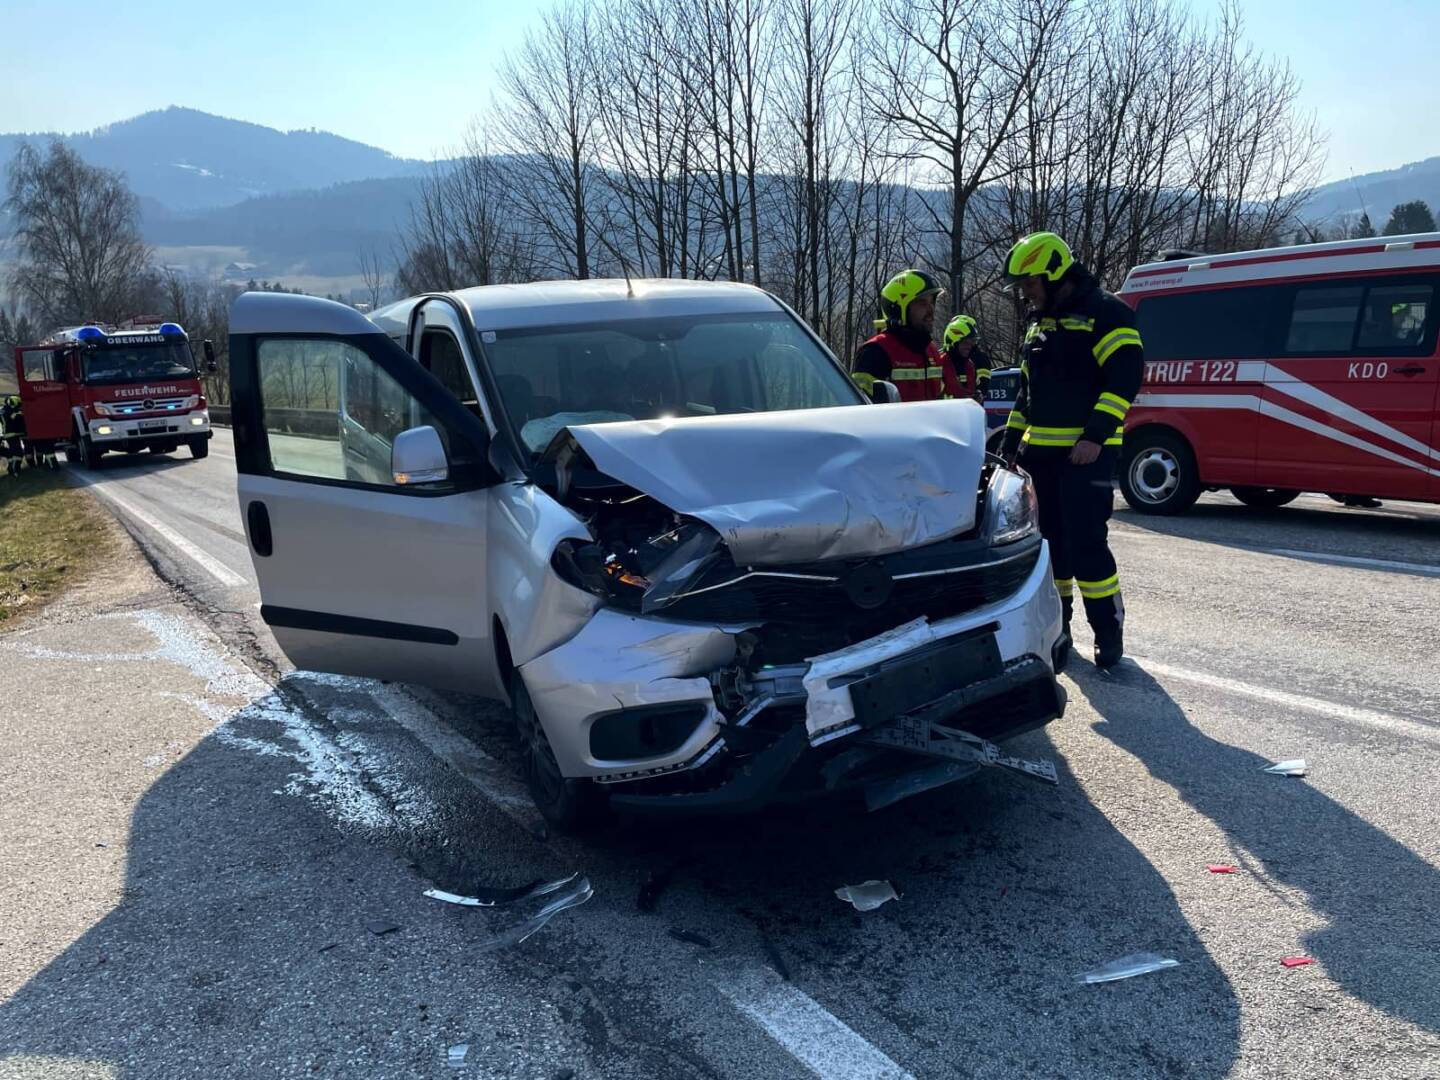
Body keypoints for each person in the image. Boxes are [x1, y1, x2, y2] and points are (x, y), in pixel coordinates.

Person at [999, 232, 1142, 670]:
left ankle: (1108, 631)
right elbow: (1028, 393)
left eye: (1030, 283)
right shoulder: (1039, 322)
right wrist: (1008, 447)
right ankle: (1058, 632)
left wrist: (1094, 436)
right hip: (1041, 456)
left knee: (1086, 546)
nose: (1026, 293)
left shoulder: (1106, 312)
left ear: (1055, 274)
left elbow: (1125, 378)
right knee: (1051, 548)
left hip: (1087, 456)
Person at [851, 269, 963, 402]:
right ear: (899, 309)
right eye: (922, 303)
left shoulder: (931, 351)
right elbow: (860, 407)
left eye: (932, 302)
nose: (931, 310)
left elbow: (940, 400)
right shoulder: (874, 353)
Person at [941, 314, 992, 403]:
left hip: (967, 415)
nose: (969, 347)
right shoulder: (940, 364)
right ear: (953, 343)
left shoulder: (969, 366)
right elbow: (932, 398)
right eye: (965, 343)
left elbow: (979, 388)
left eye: (972, 342)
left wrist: (978, 395)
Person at [1, 395, 25, 477]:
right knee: (18, 453)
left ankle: (11, 469)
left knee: (12, 453)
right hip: (12, 435)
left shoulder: (4, 410)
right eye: (18, 405)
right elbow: (17, 418)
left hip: (9, 435)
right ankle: (15, 471)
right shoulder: (9, 412)